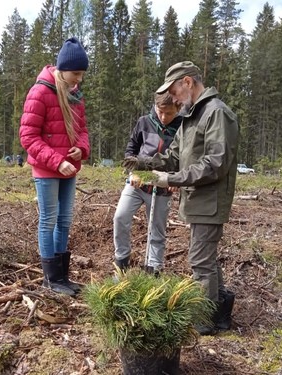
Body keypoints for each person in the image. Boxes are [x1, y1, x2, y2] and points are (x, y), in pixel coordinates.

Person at [123, 61, 239, 335]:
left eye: (173, 91)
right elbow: (174, 156)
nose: (172, 100)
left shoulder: (216, 114)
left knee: (200, 262)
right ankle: (220, 314)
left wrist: (170, 179)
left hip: (210, 201)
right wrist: (143, 163)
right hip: (198, 201)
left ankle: (204, 321)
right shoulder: (191, 117)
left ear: (187, 82)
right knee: (205, 260)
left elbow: (215, 163)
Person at [19, 37, 90, 297]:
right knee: (48, 220)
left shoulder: (75, 96)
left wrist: (80, 150)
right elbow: (28, 137)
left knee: (65, 220)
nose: (79, 79)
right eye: (76, 73)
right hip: (48, 169)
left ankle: (62, 277)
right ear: (62, 69)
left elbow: (82, 130)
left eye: (82, 74)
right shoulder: (39, 92)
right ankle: (50, 280)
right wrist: (57, 160)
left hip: (69, 169)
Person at [113, 92, 182, 274]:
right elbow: (131, 149)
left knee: (156, 231)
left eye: (169, 113)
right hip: (138, 181)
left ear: (178, 108)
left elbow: (182, 158)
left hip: (162, 184)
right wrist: (133, 171)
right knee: (120, 217)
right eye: (160, 112)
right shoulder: (144, 121)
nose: (164, 117)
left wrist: (176, 179)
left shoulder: (182, 127)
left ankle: (154, 271)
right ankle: (121, 264)